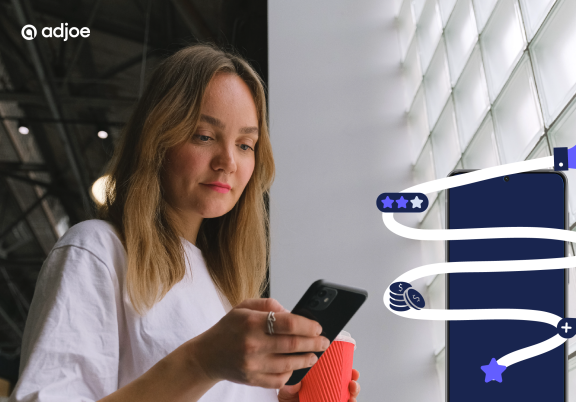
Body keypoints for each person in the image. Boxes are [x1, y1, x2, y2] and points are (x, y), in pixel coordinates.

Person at [9, 43, 361, 402]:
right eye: (204, 136)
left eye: (245, 144)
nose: (228, 161)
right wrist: (201, 362)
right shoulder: (97, 251)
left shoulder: (228, 293)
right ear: (157, 138)